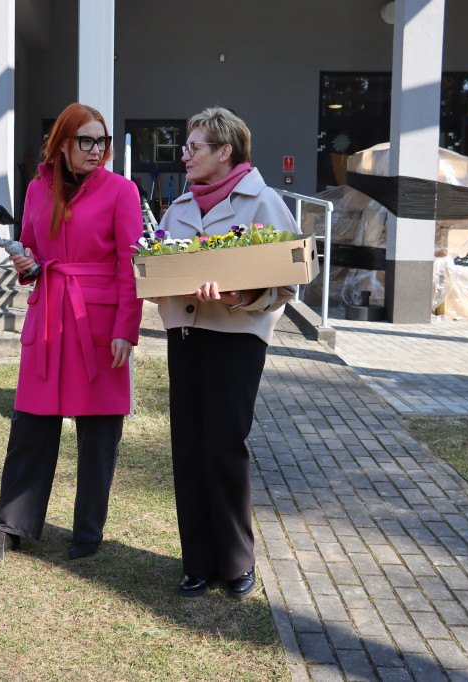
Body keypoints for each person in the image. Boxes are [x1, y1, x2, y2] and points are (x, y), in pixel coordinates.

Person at [0, 103, 144, 565]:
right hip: (49, 314)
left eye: (102, 141)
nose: (96, 150)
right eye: (85, 141)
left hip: (99, 322)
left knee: (98, 432)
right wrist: (25, 264)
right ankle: (12, 527)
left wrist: (126, 328)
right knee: (31, 424)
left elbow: (132, 266)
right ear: (63, 144)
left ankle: (87, 534)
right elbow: (30, 249)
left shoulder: (122, 191)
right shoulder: (35, 189)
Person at [153, 107, 300, 598]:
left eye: (194, 147)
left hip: (237, 338)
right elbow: (159, 275)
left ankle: (236, 563)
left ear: (224, 151)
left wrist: (240, 296)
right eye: (187, 147)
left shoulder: (264, 201)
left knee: (223, 446)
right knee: (188, 447)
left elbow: (290, 278)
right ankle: (196, 561)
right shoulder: (177, 209)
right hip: (186, 335)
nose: (185, 155)